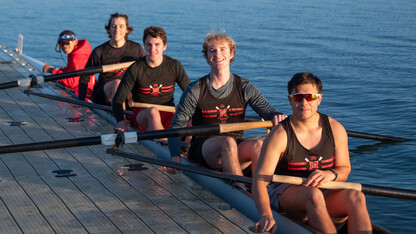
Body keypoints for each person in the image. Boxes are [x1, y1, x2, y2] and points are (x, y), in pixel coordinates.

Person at [253, 72, 372, 234]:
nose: (304, 102)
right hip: (285, 193)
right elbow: (260, 181)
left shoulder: (335, 129)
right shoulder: (279, 135)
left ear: (319, 99)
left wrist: (331, 174)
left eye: (310, 97)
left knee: (357, 197)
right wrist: (266, 215)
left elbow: (344, 169)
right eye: (298, 97)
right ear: (290, 100)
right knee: (313, 195)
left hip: (324, 191)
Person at [167, 31, 287, 177]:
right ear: (206, 57)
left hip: (236, 143)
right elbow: (176, 127)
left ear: (231, 54)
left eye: (223, 49)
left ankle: (262, 190)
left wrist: (277, 116)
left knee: (258, 145)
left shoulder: (244, 86)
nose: (218, 54)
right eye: (212, 51)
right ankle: (241, 188)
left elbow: (267, 111)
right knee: (228, 142)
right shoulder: (195, 90)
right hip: (204, 148)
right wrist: (175, 156)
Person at [112, 26, 190, 135]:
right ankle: (164, 145)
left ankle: (188, 148)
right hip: (142, 115)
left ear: (165, 46)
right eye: (149, 45)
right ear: (144, 46)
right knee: (153, 112)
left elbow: (191, 94)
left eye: (157, 44)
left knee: (191, 114)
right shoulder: (135, 69)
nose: (152, 49)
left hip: (168, 113)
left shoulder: (174, 66)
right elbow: (117, 101)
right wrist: (121, 123)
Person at [78, 12, 145, 104]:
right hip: (104, 94)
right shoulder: (99, 51)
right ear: (109, 29)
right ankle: (121, 117)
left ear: (127, 30)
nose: (117, 29)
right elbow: (85, 76)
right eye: (114, 26)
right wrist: (81, 102)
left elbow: (147, 72)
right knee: (117, 83)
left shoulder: (136, 49)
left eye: (121, 26)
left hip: (128, 93)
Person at [43, 30, 95, 96]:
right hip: (84, 91)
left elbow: (72, 82)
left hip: (81, 94)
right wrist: (56, 71)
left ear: (75, 42)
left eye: (67, 42)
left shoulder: (78, 57)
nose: (64, 46)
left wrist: (51, 71)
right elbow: (70, 70)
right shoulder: (77, 53)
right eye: (61, 43)